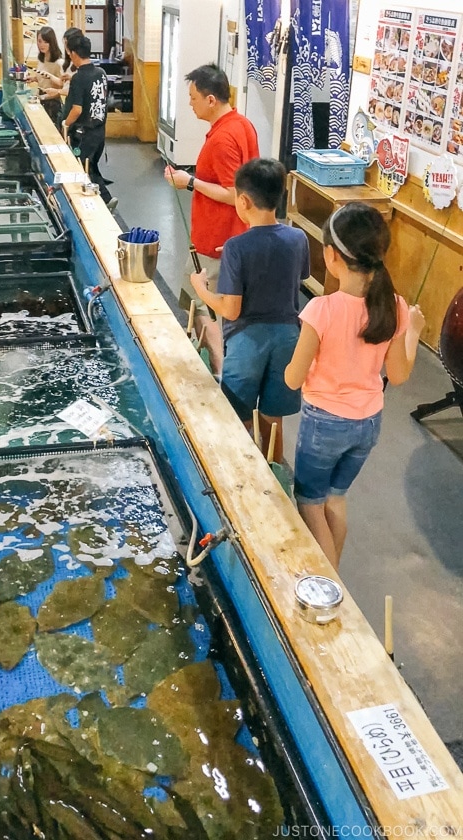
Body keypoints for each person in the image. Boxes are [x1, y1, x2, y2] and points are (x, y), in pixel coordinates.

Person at [284, 202, 426, 570]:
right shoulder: (394, 306)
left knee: (310, 502)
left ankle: (330, 584)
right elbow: (398, 376)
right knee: (336, 499)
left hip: (324, 424)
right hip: (368, 425)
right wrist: (414, 332)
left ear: (331, 256)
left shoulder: (321, 310)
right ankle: (334, 572)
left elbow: (293, 378)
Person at [190, 158, 309, 462]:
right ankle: (274, 474)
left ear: (242, 201)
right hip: (287, 340)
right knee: (273, 418)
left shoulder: (236, 247)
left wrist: (202, 287)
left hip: (247, 343)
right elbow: (289, 272)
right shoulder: (298, 239)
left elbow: (230, 309)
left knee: (239, 417)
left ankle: (242, 475)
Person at [163, 63, 259, 377]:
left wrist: (189, 181)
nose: (190, 104)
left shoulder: (222, 139)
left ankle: (220, 372)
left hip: (217, 240)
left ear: (211, 100)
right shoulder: (243, 124)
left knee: (206, 304)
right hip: (231, 235)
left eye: (193, 98)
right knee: (196, 300)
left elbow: (235, 193)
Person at [61, 32, 116, 209]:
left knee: (84, 167)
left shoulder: (79, 78)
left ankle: (105, 200)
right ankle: (104, 199)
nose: (69, 55)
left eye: (69, 52)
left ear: (74, 53)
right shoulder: (101, 73)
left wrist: (65, 124)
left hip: (83, 133)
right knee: (91, 164)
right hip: (99, 131)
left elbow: (77, 109)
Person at [28, 26, 66, 126]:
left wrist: (42, 97)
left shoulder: (59, 62)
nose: (42, 45)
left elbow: (62, 86)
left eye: (46, 42)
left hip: (52, 104)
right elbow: (43, 78)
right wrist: (33, 78)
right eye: (39, 41)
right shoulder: (41, 59)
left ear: (52, 42)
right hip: (40, 99)